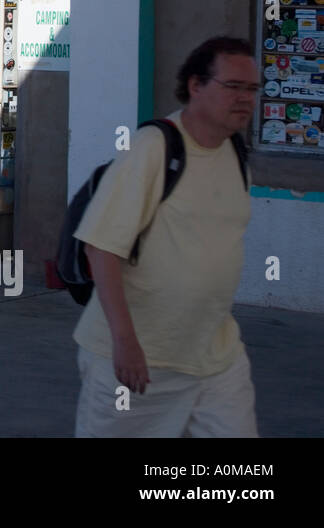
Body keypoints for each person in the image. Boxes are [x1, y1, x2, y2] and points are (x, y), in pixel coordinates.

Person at [72, 36, 258, 438]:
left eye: (252, 89)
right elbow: (100, 248)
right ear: (196, 85)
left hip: (215, 357)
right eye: (233, 87)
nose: (245, 98)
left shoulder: (236, 152)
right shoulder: (154, 147)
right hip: (137, 361)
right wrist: (126, 343)